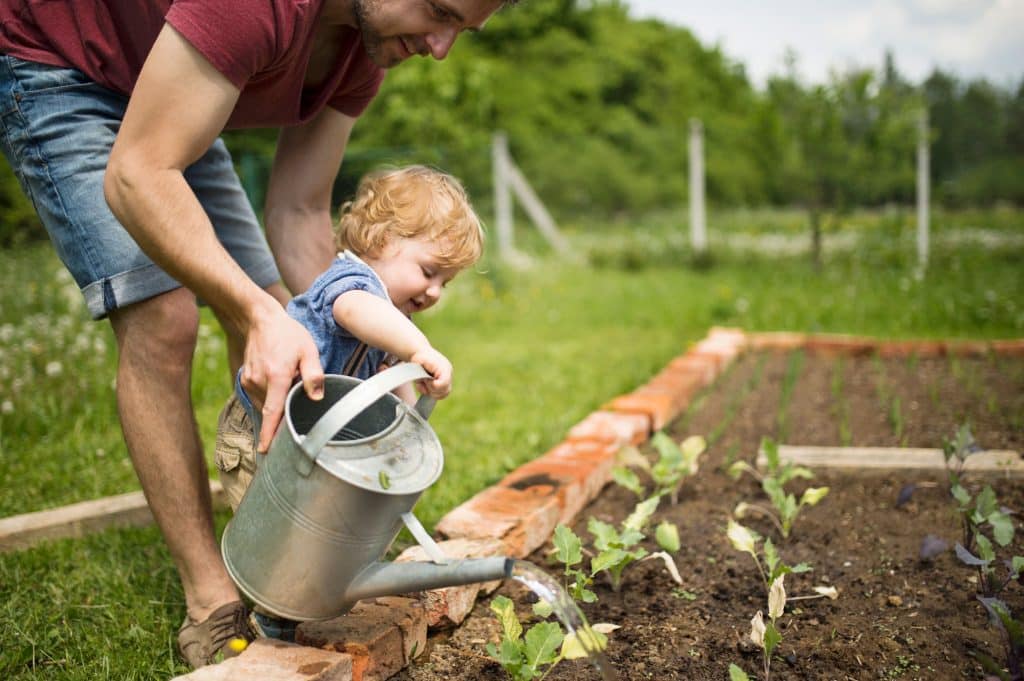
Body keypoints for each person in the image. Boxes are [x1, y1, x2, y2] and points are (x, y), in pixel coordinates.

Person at [0, 0, 510, 669]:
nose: (442, 47)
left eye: (463, 31)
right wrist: (256, 316)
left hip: (167, 82)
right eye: (440, 10)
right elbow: (137, 173)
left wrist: (324, 325)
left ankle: (282, 542)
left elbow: (299, 212)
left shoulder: (371, 41)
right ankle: (211, 595)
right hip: (61, 64)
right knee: (164, 317)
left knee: (285, 316)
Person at [215, 164, 483, 642]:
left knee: (318, 526)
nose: (436, 290)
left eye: (447, 281)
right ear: (381, 242)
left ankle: (295, 606)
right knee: (274, 538)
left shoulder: (389, 314)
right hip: (261, 435)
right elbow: (356, 312)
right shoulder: (351, 285)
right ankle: (267, 620)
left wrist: (408, 412)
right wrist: (418, 348)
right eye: (429, 271)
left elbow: (382, 376)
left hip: (310, 448)